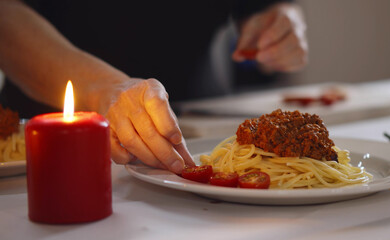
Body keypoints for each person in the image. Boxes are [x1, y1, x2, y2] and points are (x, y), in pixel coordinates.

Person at [0, 0, 308, 173]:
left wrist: (279, 25)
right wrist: (101, 88)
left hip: (207, 136)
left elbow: (267, 8)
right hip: (50, 155)